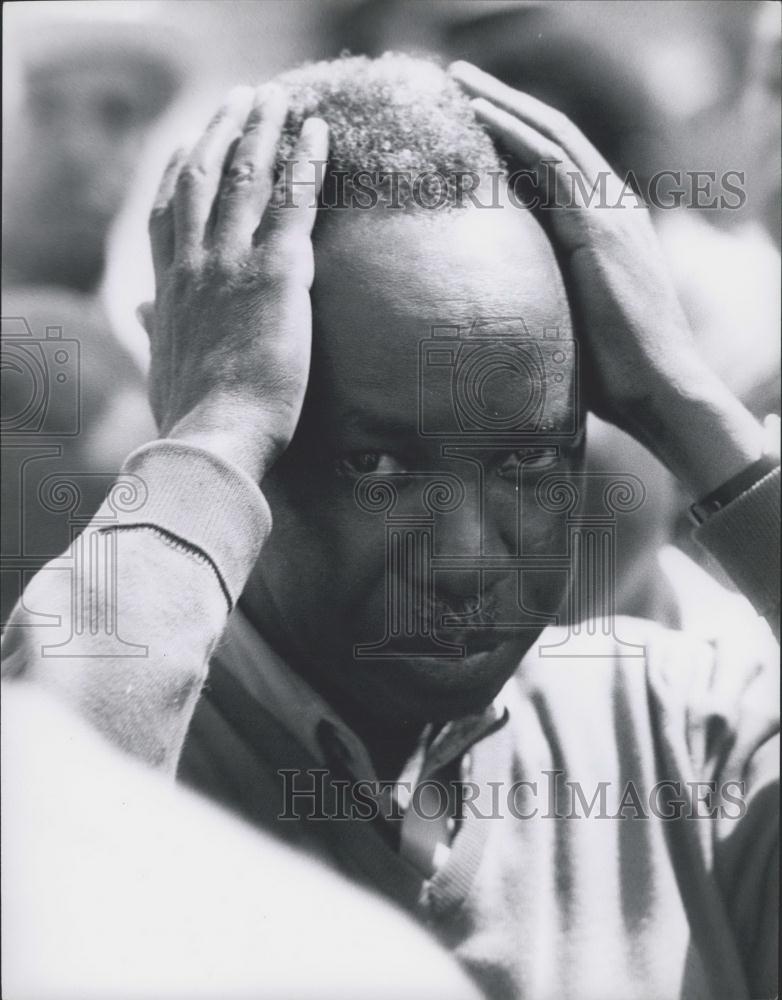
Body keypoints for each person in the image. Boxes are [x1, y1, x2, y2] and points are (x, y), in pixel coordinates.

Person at [2, 55, 778, 1000]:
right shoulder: (123, 756)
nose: (466, 558)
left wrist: (693, 406)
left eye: (528, 460)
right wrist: (217, 426)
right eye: (378, 466)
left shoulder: (683, 743)